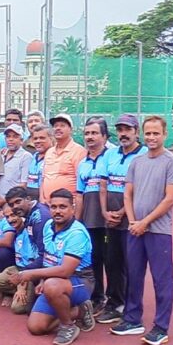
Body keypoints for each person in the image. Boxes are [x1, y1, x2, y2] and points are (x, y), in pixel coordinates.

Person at [110, 116, 173, 345]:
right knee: (134, 275)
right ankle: (132, 319)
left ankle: (161, 327)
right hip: (135, 230)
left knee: (162, 279)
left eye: (156, 133)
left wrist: (145, 222)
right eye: (148, 133)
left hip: (158, 231)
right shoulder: (137, 162)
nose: (151, 137)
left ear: (165, 134)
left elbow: (169, 199)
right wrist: (133, 221)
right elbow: (128, 194)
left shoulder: (172, 162)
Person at [13, 189, 96, 345]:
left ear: (72, 208)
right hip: (56, 280)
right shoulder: (48, 226)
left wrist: (31, 274)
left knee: (52, 286)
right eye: (54, 207)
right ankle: (80, 311)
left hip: (80, 280)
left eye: (63, 207)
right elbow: (48, 258)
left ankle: (68, 326)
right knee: (36, 327)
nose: (57, 211)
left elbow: (65, 271)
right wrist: (42, 280)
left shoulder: (77, 233)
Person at [96, 114, 148, 325]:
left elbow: (140, 190)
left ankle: (131, 306)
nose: (123, 134)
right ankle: (114, 303)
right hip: (110, 219)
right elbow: (103, 185)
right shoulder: (110, 154)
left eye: (128, 129)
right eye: (120, 130)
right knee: (112, 262)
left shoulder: (144, 154)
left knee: (131, 264)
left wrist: (123, 213)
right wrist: (105, 212)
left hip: (132, 219)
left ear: (137, 132)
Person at [76, 118, 111, 310]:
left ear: (104, 137)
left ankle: (116, 301)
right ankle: (98, 297)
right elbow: (79, 195)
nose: (90, 137)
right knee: (94, 259)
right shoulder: (83, 163)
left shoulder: (112, 157)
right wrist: (77, 221)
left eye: (94, 133)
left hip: (110, 220)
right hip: (90, 220)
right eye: (87, 133)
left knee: (112, 261)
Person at [0, 208, 39, 314]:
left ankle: (29, 293)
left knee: (18, 308)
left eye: (13, 215)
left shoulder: (28, 233)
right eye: (7, 217)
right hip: (18, 268)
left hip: (30, 273)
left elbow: (31, 265)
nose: (10, 220)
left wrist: (21, 287)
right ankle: (20, 291)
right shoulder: (14, 231)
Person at [41, 113, 87, 202]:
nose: (58, 128)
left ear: (71, 130)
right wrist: (42, 199)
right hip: (46, 204)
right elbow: (43, 179)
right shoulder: (49, 152)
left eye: (62, 125)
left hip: (68, 205)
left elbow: (81, 182)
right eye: (55, 126)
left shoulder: (79, 152)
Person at [0, 124, 33, 203]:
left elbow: (23, 185)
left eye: (15, 137)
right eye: (8, 136)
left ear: (21, 140)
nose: (11, 139)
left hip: (13, 202)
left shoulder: (26, 156)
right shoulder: (2, 154)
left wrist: (5, 200)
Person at [26, 124, 50, 200]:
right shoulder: (33, 156)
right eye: (35, 138)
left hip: (45, 198)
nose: (38, 141)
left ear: (51, 138)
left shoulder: (54, 157)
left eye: (42, 138)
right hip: (30, 198)